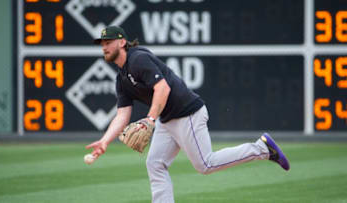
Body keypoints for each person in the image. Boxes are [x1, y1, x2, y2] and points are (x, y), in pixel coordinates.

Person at [86, 26, 290, 203]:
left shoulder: (138, 59)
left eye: (108, 42)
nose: (104, 46)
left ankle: (262, 148)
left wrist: (150, 119)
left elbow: (162, 89)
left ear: (122, 42)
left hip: (187, 113)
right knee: (155, 164)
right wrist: (104, 141)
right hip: (167, 120)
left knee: (206, 164)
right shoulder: (121, 79)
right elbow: (122, 114)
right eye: (102, 43)